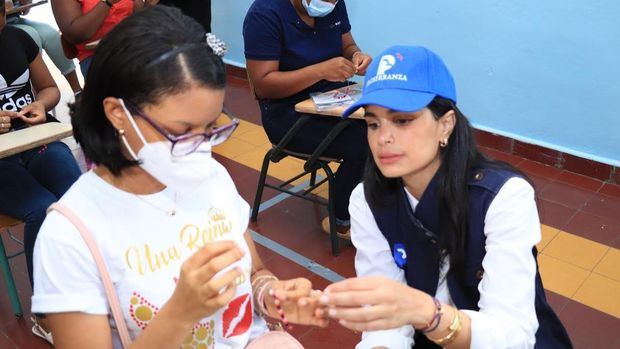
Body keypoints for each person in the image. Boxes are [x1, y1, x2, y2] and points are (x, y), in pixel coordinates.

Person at [32, 7, 327, 348]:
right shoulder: (70, 235)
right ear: (118, 114)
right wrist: (181, 312)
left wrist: (270, 293)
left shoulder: (211, 177)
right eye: (182, 131)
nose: (202, 149)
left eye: (211, 127)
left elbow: (254, 270)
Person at [318, 45, 573, 348]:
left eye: (402, 120)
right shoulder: (368, 200)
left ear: (446, 124)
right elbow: (384, 321)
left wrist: (427, 314)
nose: (382, 138)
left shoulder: (503, 197)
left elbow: (512, 335)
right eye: (373, 123)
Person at [243, 0, 373, 238]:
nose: (329, 3)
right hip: (287, 114)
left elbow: (348, 44)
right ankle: (342, 218)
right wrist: (321, 71)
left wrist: (356, 55)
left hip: (331, 98)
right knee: (365, 142)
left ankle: (373, 205)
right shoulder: (265, 13)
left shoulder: (333, 4)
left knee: (384, 125)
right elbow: (263, 86)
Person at [0, 0, 82, 344]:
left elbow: (48, 88)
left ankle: (85, 288)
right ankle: (47, 314)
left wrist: (41, 104)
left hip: (37, 138)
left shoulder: (19, 39)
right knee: (43, 210)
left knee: (79, 201)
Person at [50, 0, 157, 76]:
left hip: (134, 46)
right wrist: (107, 2)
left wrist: (147, 6)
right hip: (98, 56)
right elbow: (75, 34)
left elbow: (138, 19)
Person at [6, 0, 82, 93]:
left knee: (51, 34)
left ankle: (77, 91)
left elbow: (24, 7)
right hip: (3, 25)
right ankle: (39, 95)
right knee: (32, 35)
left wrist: (25, 3)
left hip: (13, 19)